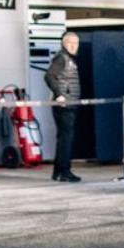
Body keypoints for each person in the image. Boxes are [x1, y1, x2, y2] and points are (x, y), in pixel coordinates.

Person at [44, 31, 82, 182]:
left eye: (76, 43)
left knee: (63, 138)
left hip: (69, 104)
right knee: (66, 139)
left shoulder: (69, 59)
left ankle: (58, 172)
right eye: (69, 43)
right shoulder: (62, 58)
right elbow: (49, 76)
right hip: (64, 105)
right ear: (63, 44)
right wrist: (59, 94)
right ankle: (65, 172)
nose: (73, 46)